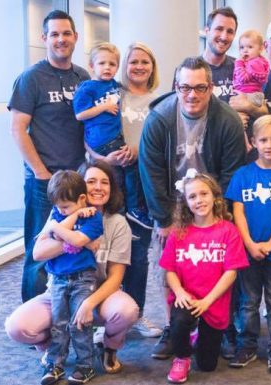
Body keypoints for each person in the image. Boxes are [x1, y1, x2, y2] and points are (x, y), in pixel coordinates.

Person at [140, 56, 247, 360]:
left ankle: (223, 327)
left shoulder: (226, 120)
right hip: (172, 201)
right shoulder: (159, 118)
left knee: (218, 264)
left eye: (200, 87)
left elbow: (231, 173)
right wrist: (163, 218)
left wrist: (219, 216)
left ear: (211, 87)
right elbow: (151, 172)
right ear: (176, 87)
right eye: (185, 87)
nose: (192, 95)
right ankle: (174, 327)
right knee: (170, 265)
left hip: (212, 198)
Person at [5, 159, 140, 377]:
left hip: (98, 293)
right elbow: (39, 253)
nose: (98, 187)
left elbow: (116, 277)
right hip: (58, 288)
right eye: (91, 181)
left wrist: (89, 304)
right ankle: (54, 351)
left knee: (126, 311)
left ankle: (108, 348)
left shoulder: (116, 223)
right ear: (80, 188)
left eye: (104, 182)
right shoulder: (59, 213)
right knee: (17, 327)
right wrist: (79, 239)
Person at [9, 10, 91, 303]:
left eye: (66, 33)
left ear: (75, 37)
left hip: (78, 179)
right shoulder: (31, 78)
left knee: (76, 247)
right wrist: (41, 173)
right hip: (45, 181)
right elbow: (18, 129)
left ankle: (72, 310)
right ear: (44, 38)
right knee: (40, 248)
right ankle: (34, 316)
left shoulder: (83, 76)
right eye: (54, 34)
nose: (61, 39)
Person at [225, 115, 271, 373]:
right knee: (248, 300)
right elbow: (238, 213)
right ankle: (247, 344)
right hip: (248, 252)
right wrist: (250, 244)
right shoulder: (242, 175)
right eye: (263, 140)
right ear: (254, 142)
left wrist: (270, 244)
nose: (269, 145)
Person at [159, 173, 249, 384]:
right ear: (185, 202)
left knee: (208, 365)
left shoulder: (229, 231)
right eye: (192, 196)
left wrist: (207, 301)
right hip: (186, 297)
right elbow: (169, 269)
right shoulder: (178, 232)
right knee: (180, 321)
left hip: (213, 300)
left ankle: (198, 336)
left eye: (203, 194)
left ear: (214, 196)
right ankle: (181, 357)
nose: (199, 200)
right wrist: (180, 292)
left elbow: (231, 272)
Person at [74, 43, 151, 230]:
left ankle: (127, 214)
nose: (107, 68)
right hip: (103, 147)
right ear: (92, 66)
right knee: (117, 181)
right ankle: (128, 212)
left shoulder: (113, 87)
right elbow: (81, 119)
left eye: (111, 64)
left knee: (125, 178)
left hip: (119, 145)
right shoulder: (93, 88)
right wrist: (103, 158)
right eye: (102, 63)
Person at [38, 170, 104, 385]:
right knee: (59, 322)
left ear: (82, 199)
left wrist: (56, 228)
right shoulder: (60, 213)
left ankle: (85, 365)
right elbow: (57, 234)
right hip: (57, 278)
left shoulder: (94, 217)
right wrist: (73, 216)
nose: (60, 210)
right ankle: (55, 364)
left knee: (80, 323)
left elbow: (75, 240)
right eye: (58, 206)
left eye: (66, 206)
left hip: (82, 278)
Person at [119, 42, 162, 338]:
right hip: (110, 180)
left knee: (138, 253)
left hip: (144, 183)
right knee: (105, 252)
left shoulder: (160, 101)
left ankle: (136, 314)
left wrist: (140, 150)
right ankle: (106, 318)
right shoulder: (112, 95)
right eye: (133, 61)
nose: (138, 67)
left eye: (145, 62)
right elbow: (89, 132)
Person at [233, 30, 270, 121]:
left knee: (236, 116)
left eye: (250, 47)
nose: (245, 50)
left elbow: (243, 78)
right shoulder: (254, 62)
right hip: (250, 94)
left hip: (250, 95)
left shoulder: (255, 63)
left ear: (260, 49)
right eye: (242, 47)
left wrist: (239, 63)